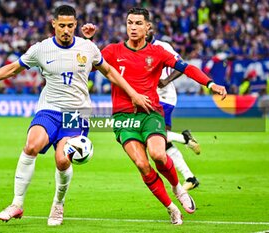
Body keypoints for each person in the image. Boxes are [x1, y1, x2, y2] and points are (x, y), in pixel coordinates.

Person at [0, 5, 152, 226]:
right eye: (62, 26)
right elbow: (12, 69)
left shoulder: (88, 48)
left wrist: (133, 94)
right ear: (54, 25)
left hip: (76, 114)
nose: (66, 30)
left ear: (75, 25)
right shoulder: (41, 49)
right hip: (49, 109)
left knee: (61, 160)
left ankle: (58, 204)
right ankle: (17, 204)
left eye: (70, 26)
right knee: (31, 145)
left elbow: (110, 72)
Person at [81, 7, 226, 225]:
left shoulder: (157, 52)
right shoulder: (112, 51)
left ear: (148, 27)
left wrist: (210, 83)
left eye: (138, 23)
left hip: (150, 113)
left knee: (158, 154)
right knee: (142, 164)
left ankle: (178, 188)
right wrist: (87, 41)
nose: (133, 27)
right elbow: (85, 65)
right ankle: (171, 207)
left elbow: (186, 68)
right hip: (123, 118)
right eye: (130, 22)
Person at [151, 36, 201, 191]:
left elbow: (182, 66)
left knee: (153, 134)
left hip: (164, 97)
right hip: (152, 97)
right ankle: (190, 178)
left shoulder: (162, 46)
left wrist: (166, 80)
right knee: (163, 143)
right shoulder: (137, 48)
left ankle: (185, 138)